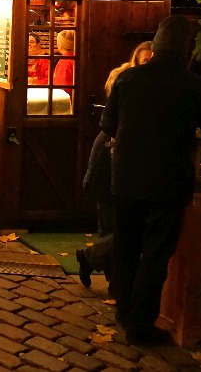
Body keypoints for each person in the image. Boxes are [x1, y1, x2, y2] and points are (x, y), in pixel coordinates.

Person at [101, 16, 201, 345]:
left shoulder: (128, 79)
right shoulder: (194, 85)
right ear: (186, 49)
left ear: (156, 46)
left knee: (127, 248)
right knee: (156, 255)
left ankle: (124, 311)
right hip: (168, 180)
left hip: (126, 176)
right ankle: (140, 326)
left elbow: (108, 123)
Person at [76, 40, 152, 291]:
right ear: (136, 60)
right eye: (144, 61)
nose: (147, 65)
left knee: (122, 231)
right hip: (110, 169)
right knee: (116, 230)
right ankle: (110, 278)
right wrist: (90, 174)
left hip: (124, 170)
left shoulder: (146, 89)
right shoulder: (126, 83)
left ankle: (96, 265)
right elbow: (105, 134)